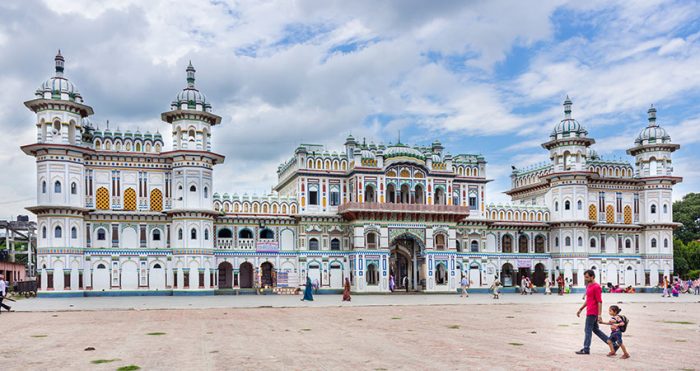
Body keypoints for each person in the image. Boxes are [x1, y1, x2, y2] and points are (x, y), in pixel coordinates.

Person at [575, 269, 608, 355]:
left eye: (587, 277)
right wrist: (580, 309)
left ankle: (586, 349)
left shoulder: (597, 287)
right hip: (589, 310)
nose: (585, 279)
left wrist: (599, 315)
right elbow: (588, 300)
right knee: (596, 330)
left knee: (587, 330)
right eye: (585, 277)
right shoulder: (589, 285)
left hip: (593, 312)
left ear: (592, 276)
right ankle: (612, 343)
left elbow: (599, 301)